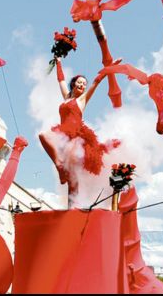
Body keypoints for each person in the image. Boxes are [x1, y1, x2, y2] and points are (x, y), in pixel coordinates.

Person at [39, 57, 121, 208]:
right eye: (80, 82)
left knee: (73, 179)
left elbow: (96, 82)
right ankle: (59, 165)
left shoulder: (82, 100)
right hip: (62, 136)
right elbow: (61, 79)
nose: (82, 85)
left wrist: (110, 68)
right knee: (43, 136)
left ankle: (72, 209)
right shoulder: (67, 97)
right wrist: (58, 62)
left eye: (84, 84)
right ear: (73, 84)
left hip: (75, 138)